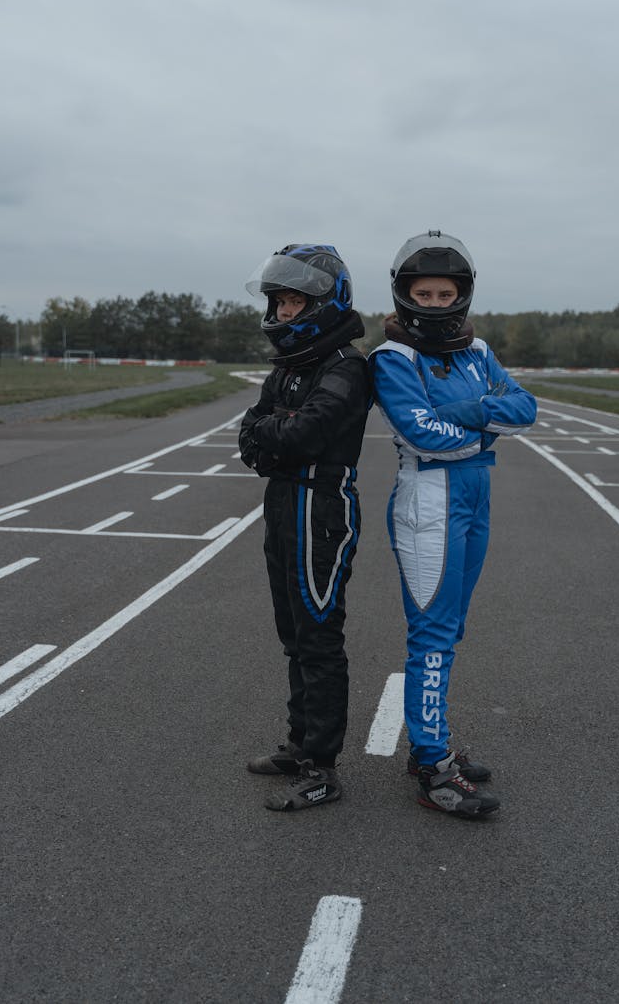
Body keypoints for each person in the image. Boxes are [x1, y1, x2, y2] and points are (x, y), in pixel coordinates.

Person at [369, 230, 537, 818]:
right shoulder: (392, 358)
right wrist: (482, 428)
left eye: (446, 293)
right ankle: (433, 766)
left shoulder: (477, 349)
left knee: (453, 629)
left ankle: (431, 746)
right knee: (433, 636)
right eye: (426, 292)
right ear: (405, 294)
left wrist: (465, 414)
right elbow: (421, 435)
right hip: (429, 501)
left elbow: (525, 408)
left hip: (475, 497)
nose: (437, 303)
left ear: (461, 295)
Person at [239, 243, 370, 812]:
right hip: (283, 502)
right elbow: (250, 436)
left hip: (323, 509)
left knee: (318, 637)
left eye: (294, 303)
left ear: (321, 302)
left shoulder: (346, 366)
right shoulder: (291, 368)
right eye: (280, 302)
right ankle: (299, 744)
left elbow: (300, 436)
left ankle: (323, 766)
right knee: (292, 635)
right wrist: (275, 432)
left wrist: (276, 432)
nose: (284, 313)